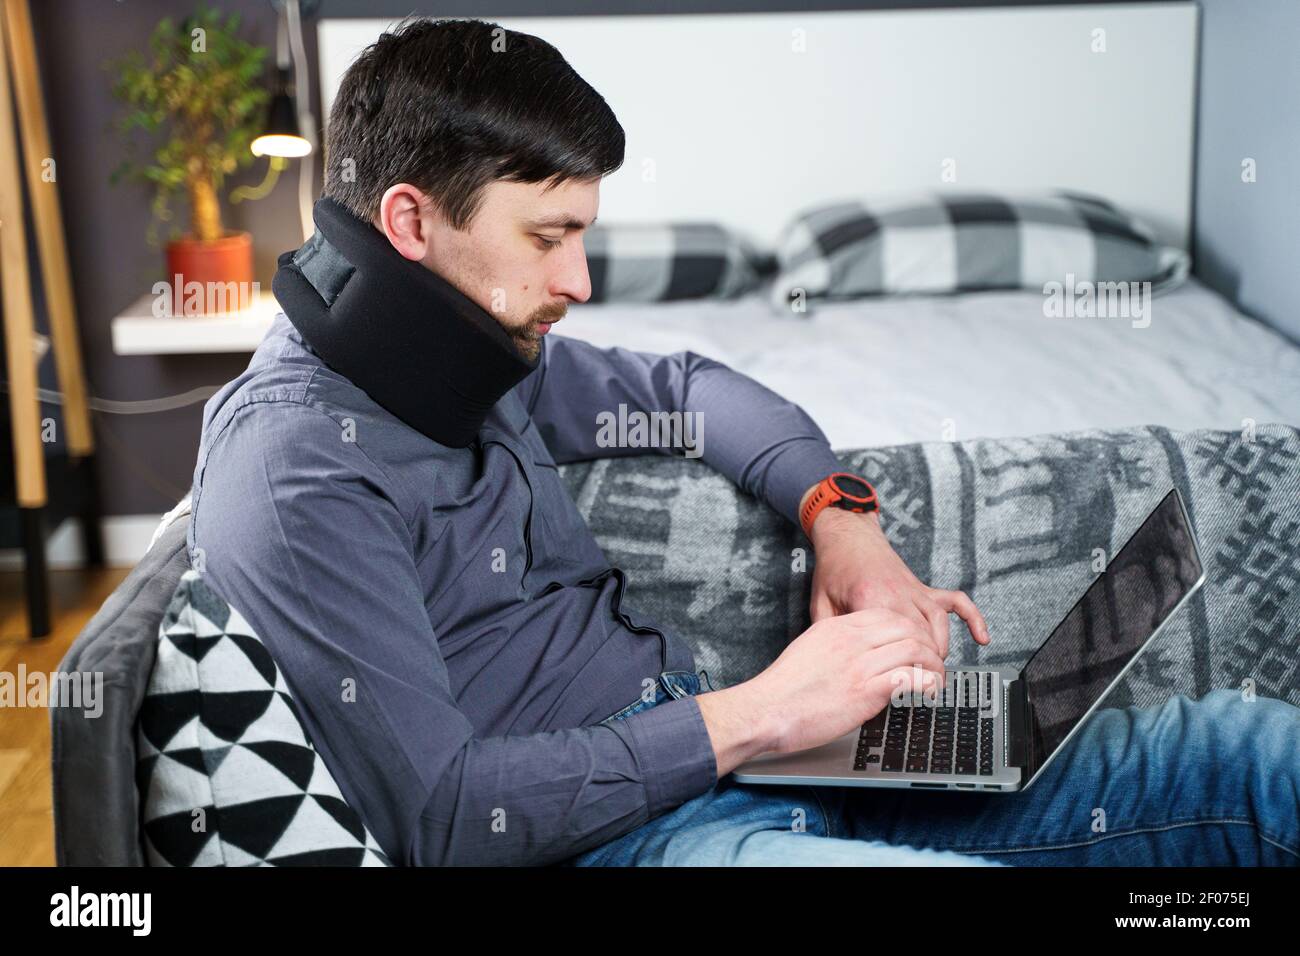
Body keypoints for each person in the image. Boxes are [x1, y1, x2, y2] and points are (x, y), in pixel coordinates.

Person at [188, 17, 1299, 867]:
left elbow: (686, 384)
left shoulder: (477, 351)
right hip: (633, 839)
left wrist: (841, 517)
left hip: (771, 760)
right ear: (409, 222)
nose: (577, 283)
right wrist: (767, 709)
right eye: (549, 237)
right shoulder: (297, 468)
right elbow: (439, 812)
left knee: (1244, 753)